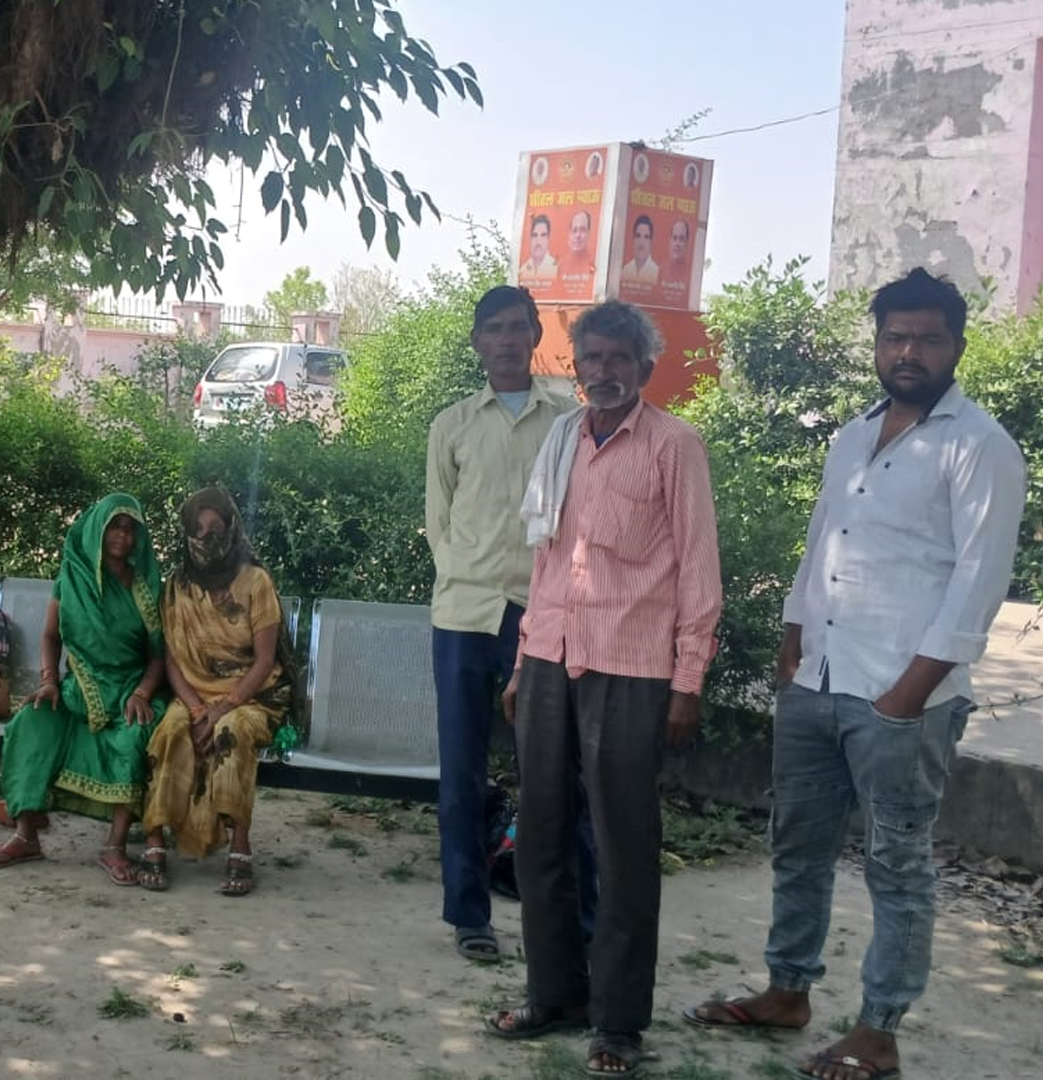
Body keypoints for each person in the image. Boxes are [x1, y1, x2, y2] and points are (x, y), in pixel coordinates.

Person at [681, 269, 1025, 1080]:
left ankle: (878, 1031)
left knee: (896, 864)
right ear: (877, 344)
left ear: (956, 346)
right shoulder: (852, 435)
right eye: (895, 337)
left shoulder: (980, 446)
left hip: (902, 697)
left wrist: (909, 693)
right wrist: (792, 636)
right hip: (817, 679)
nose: (909, 352)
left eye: (927, 339)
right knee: (797, 845)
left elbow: (978, 582)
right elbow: (821, 542)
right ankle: (786, 991)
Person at [487, 300, 722, 1078]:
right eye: (592, 357)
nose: (605, 370)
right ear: (576, 365)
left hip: (632, 668)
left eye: (620, 357)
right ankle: (554, 993)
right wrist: (523, 662)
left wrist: (688, 680)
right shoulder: (564, 441)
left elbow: (699, 568)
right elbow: (547, 564)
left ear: (645, 367)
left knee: (623, 849)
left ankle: (618, 1022)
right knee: (539, 835)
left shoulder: (674, 446)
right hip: (550, 659)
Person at [425, 286, 596, 963]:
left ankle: (567, 922)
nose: (505, 340)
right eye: (493, 329)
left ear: (535, 336)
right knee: (461, 774)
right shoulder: (453, 424)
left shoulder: (568, 423)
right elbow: (439, 522)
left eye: (517, 327)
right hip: (464, 617)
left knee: (553, 774)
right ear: (477, 342)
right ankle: (470, 916)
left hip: (541, 616)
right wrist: (462, 575)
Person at [0, 493, 168, 885]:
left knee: (134, 736)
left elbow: (158, 656)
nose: (122, 536)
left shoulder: (146, 587)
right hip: (79, 687)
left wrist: (142, 694)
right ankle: (25, 835)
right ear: (98, 528)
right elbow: (50, 636)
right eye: (114, 526)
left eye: (130, 529)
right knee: (32, 722)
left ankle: (114, 847)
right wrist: (49, 681)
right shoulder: (72, 579)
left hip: (130, 689)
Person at [140, 486, 291, 897]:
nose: (208, 538)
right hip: (192, 694)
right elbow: (172, 658)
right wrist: (195, 708)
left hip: (252, 696)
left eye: (217, 528)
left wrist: (223, 707)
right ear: (188, 534)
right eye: (199, 529)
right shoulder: (177, 586)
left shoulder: (256, 582)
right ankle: (154, 838)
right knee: (170, 730)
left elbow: (264, 662)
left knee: (231, 731)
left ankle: (240, 844)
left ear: (232, 528)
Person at [620, 216, 659, 285]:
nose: (641, 241)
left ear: (650, 242)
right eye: (638, 236)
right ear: (633, 239)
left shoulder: (657, 273)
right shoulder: (625, 271)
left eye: (646, 237)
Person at [519, 215, 558, 281]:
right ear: (531, 238)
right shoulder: (523, 270)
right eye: (535, 235)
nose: (538, 241)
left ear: (548, 239)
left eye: (543, 235)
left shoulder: (556, 269)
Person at [562, 210, 597, 276]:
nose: (578, 235)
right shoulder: (560, 267)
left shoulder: (595, 265)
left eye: (583, 230)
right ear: (569, 234)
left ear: (589, 234)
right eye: (574, 230)